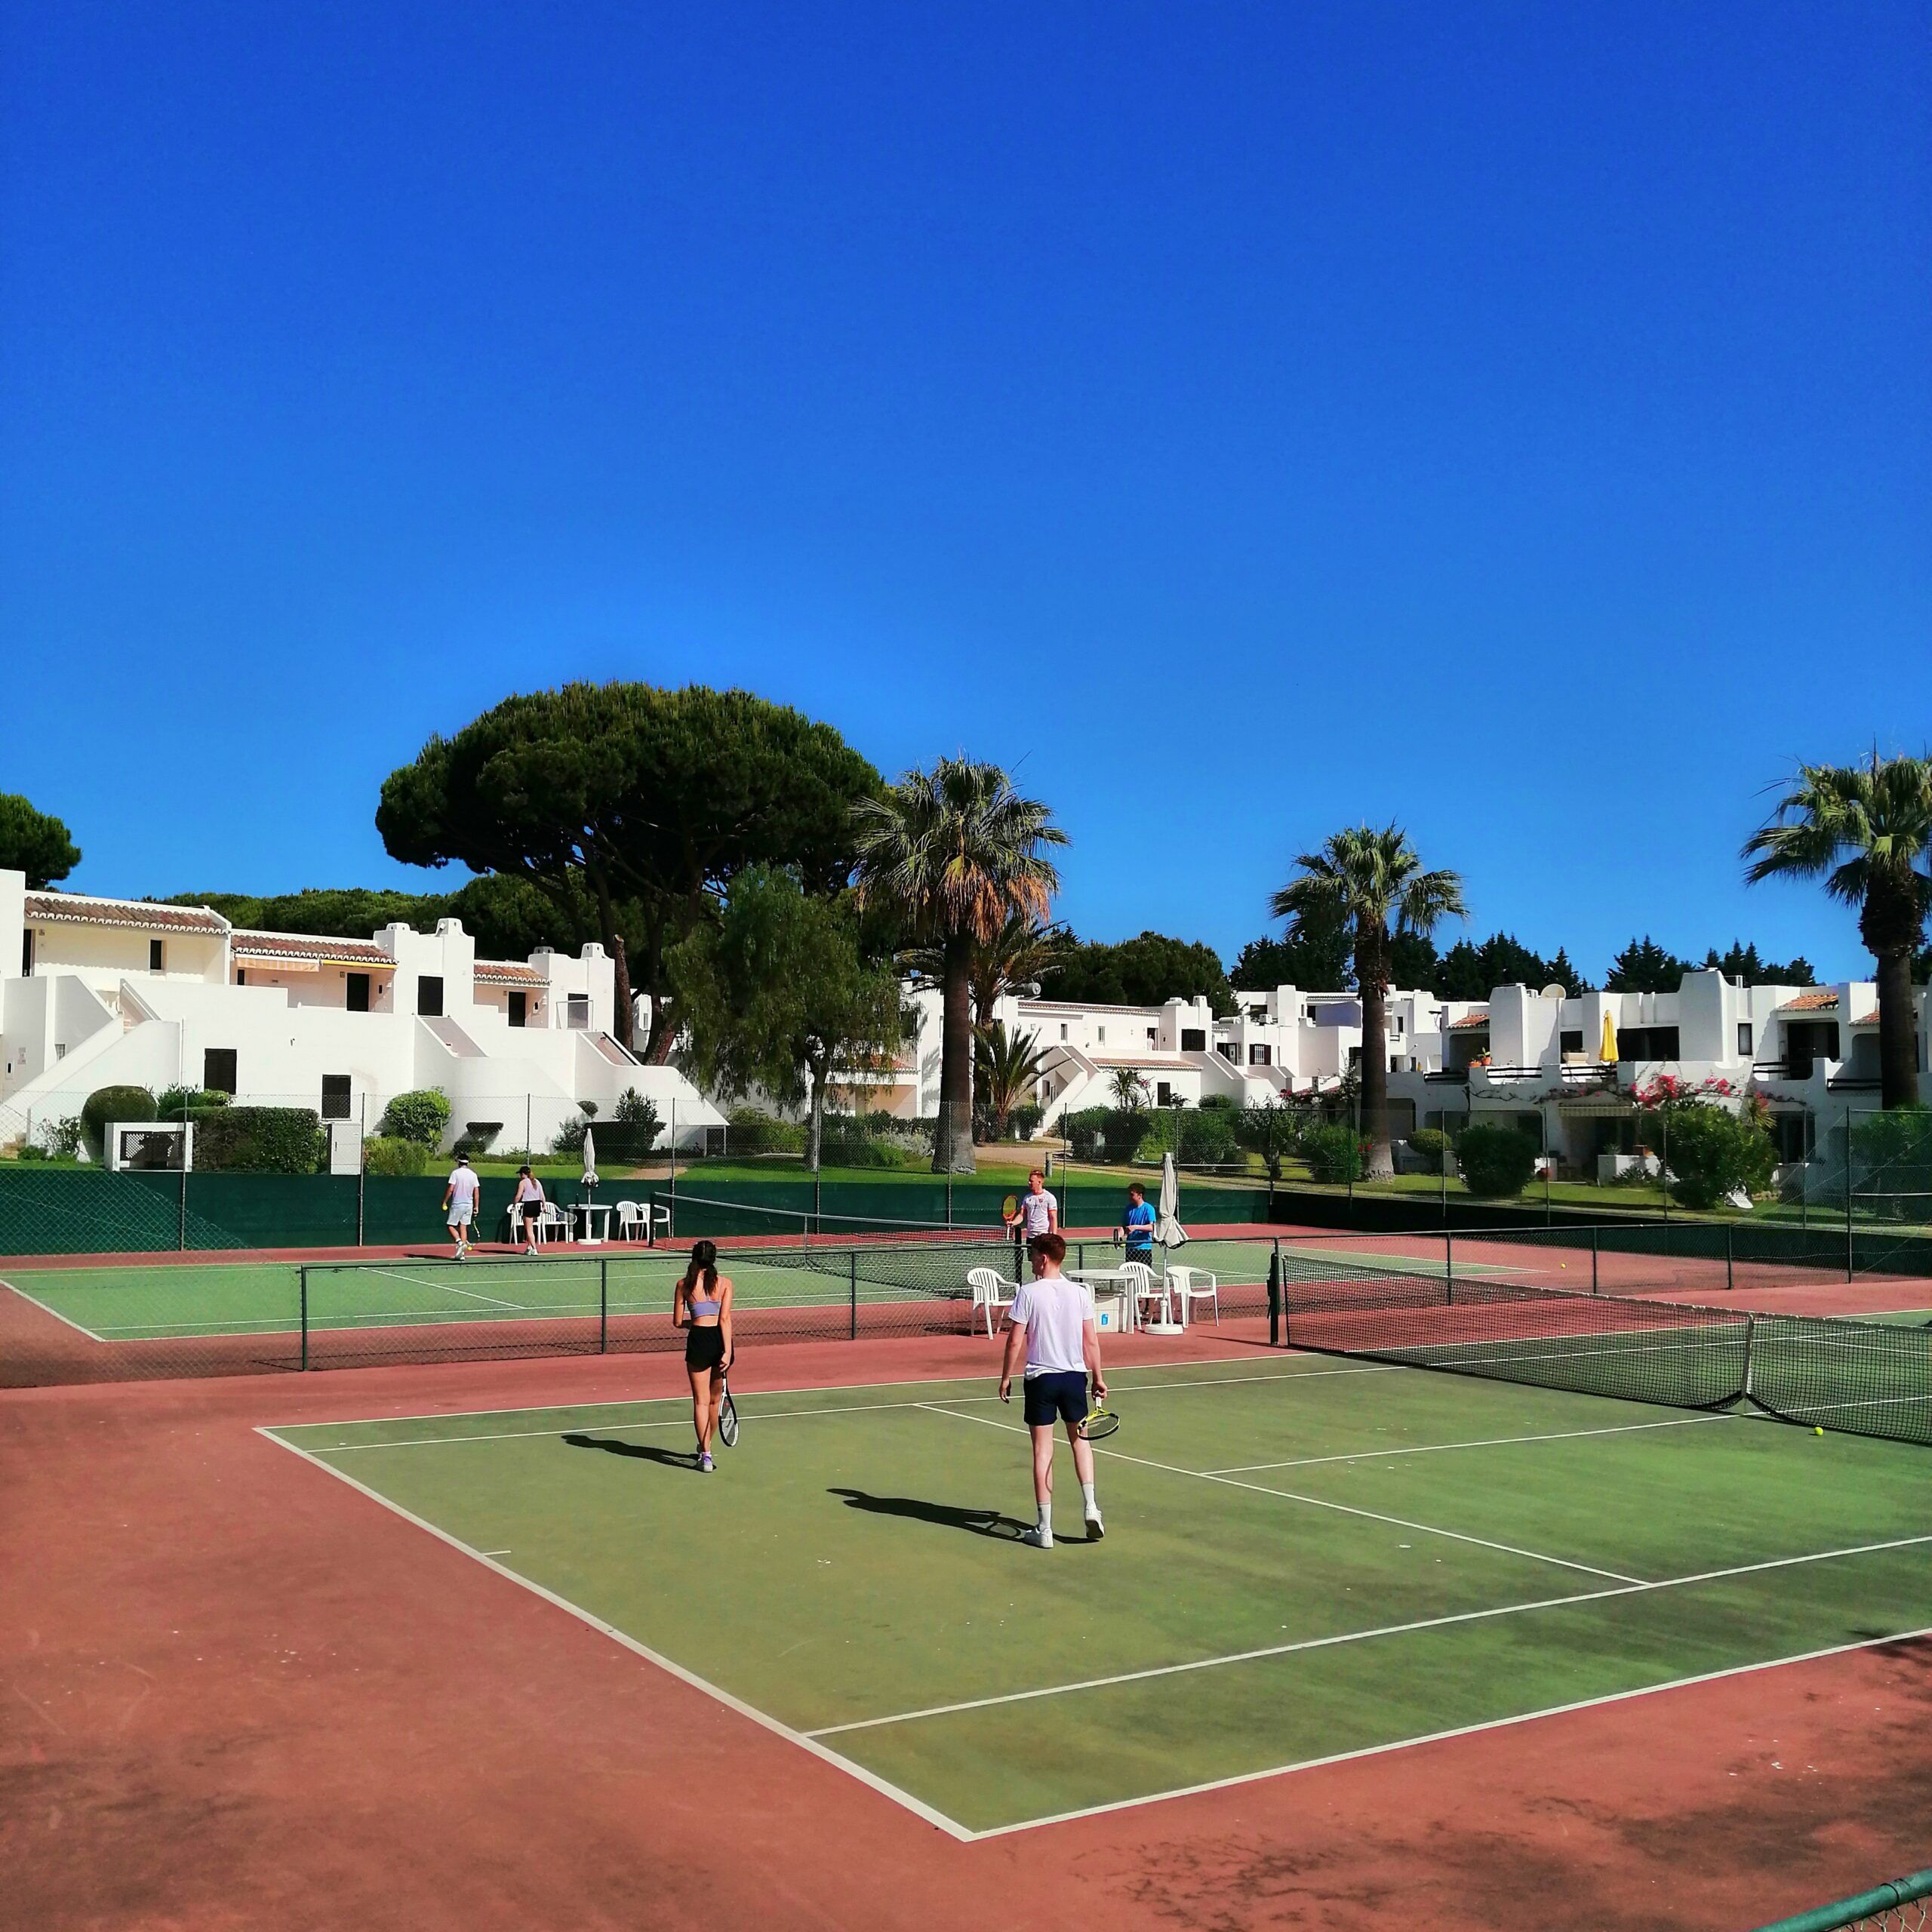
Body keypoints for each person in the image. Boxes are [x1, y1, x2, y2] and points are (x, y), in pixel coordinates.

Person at [998, 1232, 1106, 1548]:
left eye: (1033, 1255)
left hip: (1041, 1380)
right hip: (1075, 1379)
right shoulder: (1080, 1293)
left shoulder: (1028, 1293)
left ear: (1044, 1259)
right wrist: (1099, 1377)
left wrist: (1005, 1377)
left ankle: (1045, 1529)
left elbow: (1015, 1340)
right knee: (1081, 1443)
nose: (1030, 1260)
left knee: (1042, 1451)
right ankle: (1091, 1508)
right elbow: (1091, 1341)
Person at [673, 1238, 734, 1473]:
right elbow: (725, 1319)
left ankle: (705, 1454)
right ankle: (705, 1448)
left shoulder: (682, 1285)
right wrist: (727, 1351)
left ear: (694, 1258)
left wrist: (693, 1324)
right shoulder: (726, 1283)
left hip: (699, 1341)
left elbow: (678, 1322)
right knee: (713, 1402)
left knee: (700, 1401)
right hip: (720, 1343)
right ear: (713, 1259)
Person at [441, 1154, 481, 1260]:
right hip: (469, 1205)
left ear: (459, 1162)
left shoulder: (455, 1173)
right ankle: (462, 1254)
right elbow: (476, 1192)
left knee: (450, 1225)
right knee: (463, 1227)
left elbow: (451, 1189)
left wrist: (445, 1202)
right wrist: (476, 1206)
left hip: (458, 1204)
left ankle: (459, 1243)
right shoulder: (473, 1174)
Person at [1006, 1168, 1059, 1242]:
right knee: (1031, 1254)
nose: (1029, 1183)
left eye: (1031, 1181)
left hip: (1044, 1236)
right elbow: (1021, 1215)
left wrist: (1053, 1237)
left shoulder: (1049, 1197)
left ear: (1039, 1182)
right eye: (1029, 1181)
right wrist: (1013, 1222)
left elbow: (1053, 1218)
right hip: (1030, 1236)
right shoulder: (1027, 1198)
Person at [1119, 1181, 1156, 1270]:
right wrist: (1119, 1236)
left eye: (1132, 1195)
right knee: (1130, 1275)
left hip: (1144, 1248)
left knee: (1143, 1275)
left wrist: (1135, 1227)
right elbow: (1124, 1227)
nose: (1130, 1197)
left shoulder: (1148, 1209)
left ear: (1140, 1195)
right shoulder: (1128, 1209)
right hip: (1130, 1249)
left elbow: (1152, 1227)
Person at [510, 1164, 546, 1256]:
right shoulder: (537, 1182)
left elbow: (518, 1196)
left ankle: (534, 1249)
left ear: (523, 1174)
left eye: (520, 1175)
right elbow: (542, 1196)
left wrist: (514, 1204)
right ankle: (529, 1247)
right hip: (537, 1205)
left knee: (529, 1229)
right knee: (529, 1228)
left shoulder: (523, 1183)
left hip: (529, 1205)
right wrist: (544, 1206)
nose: (520, 1177)